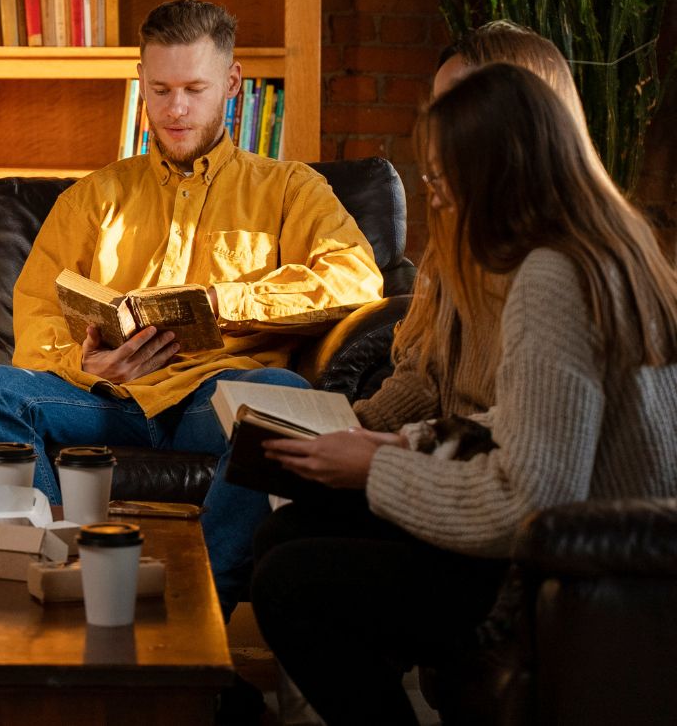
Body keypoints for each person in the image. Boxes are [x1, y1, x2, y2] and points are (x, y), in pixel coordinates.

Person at [250, 63, 677, 725]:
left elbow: (533, 501)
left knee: (289, 582)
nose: (438, 198)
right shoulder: (616, 248)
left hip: (561, 571)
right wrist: (407, 440)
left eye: (441, 179)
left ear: (494, 172)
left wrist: (375, 467)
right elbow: (541, 418)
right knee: (289, 530)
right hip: (605, 554)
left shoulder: (549, 278)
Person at [0, 0, 385, 614]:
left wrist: (223, 303)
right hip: (104, 402)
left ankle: (197, 605)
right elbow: (38, 307)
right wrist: (84, 366)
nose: (175, 109)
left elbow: (356, 279)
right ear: (142, 83)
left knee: (279, 397)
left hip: (213, 397)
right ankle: (60, 574)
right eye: (160, 89)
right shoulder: (95, 197)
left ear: (231, 84)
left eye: (195, 89)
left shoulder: (288, 189)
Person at [357, 20, 589, 438]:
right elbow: (425, 374)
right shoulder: (463, 236)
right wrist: (353, 430)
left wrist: (395, 453)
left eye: (458, 106)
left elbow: (531, 449)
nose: (439, 131)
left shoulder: (559, 271)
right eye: (438, 107)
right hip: (449, 456)